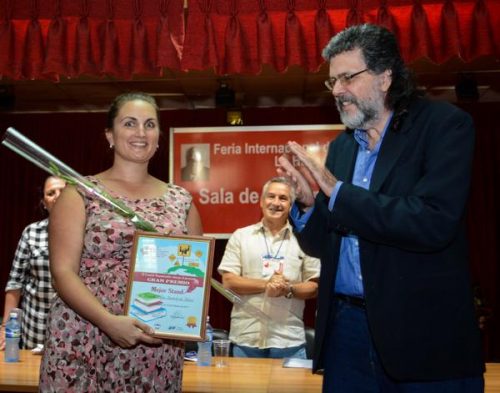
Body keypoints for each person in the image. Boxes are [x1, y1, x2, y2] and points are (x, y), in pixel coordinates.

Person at [277, 24, 485, 392]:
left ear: (385, 76)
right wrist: (309, 206)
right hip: (347, 335)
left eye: (347, 78)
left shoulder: (444, 127)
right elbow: (324, 247)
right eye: (332, 82)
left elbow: (432, 221)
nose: (338, 91)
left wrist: (335, 190)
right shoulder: (342, 147)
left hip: (423, 340)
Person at [39, 92, 203, 392]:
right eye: (130, 123)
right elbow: (62, 273)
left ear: (158, 137)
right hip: (84, 337)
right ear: (110, 135)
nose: (141, 132)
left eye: (149, 124)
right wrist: (109, 322)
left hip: (155, 347)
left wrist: (190, 315)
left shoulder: (181, 201)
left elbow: (194, 274)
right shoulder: (80, 193)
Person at [218, 176, 320, 359]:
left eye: (283, 198)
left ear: (291, 205)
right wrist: (267, 285)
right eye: (271, 196)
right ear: (261, 201)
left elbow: (314, 286)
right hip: (245, 339)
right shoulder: (241, 236)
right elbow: (228, 281)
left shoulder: (306, 239)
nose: (276, 203)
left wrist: (287, 289)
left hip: (289, 341)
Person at [0, 176, 66, 350]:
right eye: (51, 193)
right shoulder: (31, 232)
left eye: (63, 191)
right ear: (44, 203)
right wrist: (6, 327)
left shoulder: (88, 232)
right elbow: (15, 283)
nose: (57, 195)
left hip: (73, 332)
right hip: (36, 331)